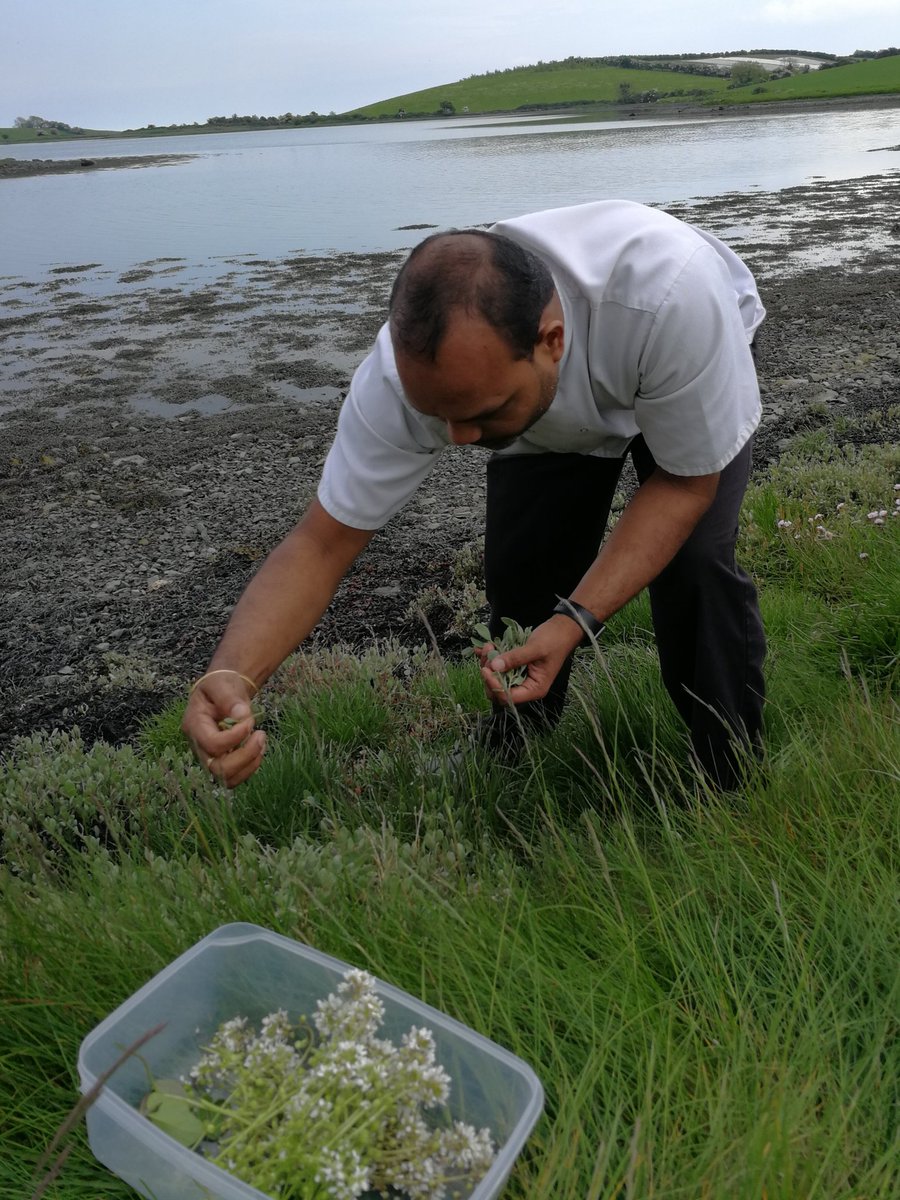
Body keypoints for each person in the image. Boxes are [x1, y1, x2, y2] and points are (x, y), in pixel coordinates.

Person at [183, 200, 767, 791]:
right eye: (439, 416)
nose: (460, 439)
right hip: (549, 399)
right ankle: (515, 751)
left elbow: (684, 485)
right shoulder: (404, 380)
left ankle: (729, 769)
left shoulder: (670, 293)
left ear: (552, 340)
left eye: (480, 415)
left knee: (696, 565)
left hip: (672, 354)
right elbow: (321, 543)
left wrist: (572, 624)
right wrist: (232, 674)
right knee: (523, 576)